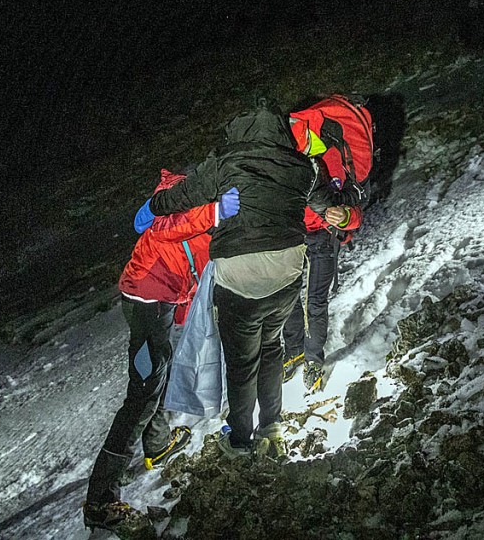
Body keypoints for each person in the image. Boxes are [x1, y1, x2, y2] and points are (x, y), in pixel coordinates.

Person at [141, 104, 338, 459]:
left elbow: (181, 197)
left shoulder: (223, 164)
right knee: (271, 346)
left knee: (242, 362)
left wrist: (153, 205)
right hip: (287, 272)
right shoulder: (304, 166)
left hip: (239, 277)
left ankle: (241, 439)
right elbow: (326, 202)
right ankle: (272, 425)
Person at [83, 169, 238, 532]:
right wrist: (215, 211)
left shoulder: (201, 203)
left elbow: (189, 265)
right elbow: (168, 227)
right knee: (141, 395)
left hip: (158, 299)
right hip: (146, 299)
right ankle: (99, 500)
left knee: (157, 372)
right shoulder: (187, 200)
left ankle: (157, 444)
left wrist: (184, 308)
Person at [282, 95, 376, 392]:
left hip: (322, 235)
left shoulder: (336, 154)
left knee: (315, 301)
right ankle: (293, 349)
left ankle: (313, 359)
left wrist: (344, 216)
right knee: (286, 295)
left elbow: (356, 206)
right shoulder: (282, 156)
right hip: (290, 233)